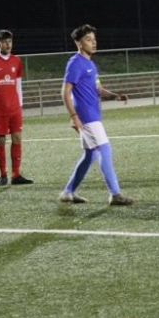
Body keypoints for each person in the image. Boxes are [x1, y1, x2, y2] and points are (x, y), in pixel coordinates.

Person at [60, 24, 134, 205]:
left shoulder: (90, 64)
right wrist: (74, 116)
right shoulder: (75, 63)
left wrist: (115, 95)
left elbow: (98, 89)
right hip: (86, 116)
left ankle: (68, 192)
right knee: (104, 149)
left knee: (90, 155)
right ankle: (115, 194)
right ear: (79, 43)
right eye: (88, 39)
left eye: (94, 39)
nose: (93, 43)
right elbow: (65, 92)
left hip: (92, 114)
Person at [0, 29, 33, 186]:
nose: (8, 44)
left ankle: (15, 175)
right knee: (1, 140)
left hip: (14, 108)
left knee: (17, 137)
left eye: (9, 41)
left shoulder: (17, 60)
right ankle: (3, 175)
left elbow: (18, 85)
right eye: (4, 42)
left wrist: (20, 105)